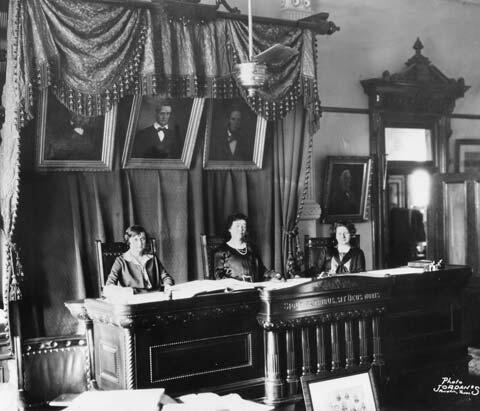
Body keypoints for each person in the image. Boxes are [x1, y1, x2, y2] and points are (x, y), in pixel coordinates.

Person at [106, 225, 174, 292]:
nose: (140, 243)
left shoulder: (152, 258)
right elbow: (110, 284)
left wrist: (168, 285)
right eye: (135, 239)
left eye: (142, 239)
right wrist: (124, 292)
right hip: (134, 299)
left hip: (154, 295)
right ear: (129, 241)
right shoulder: (121, 261)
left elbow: (166, 277)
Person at [213, 213, 266, 282]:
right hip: (234, 290)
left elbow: (262, 271)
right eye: (237, 226)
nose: (240, 229)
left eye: (243, 226)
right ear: (229, 228)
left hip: (254, 288)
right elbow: (219, 277)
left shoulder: (252, 248)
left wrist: (276, 276)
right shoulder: (221, 251)